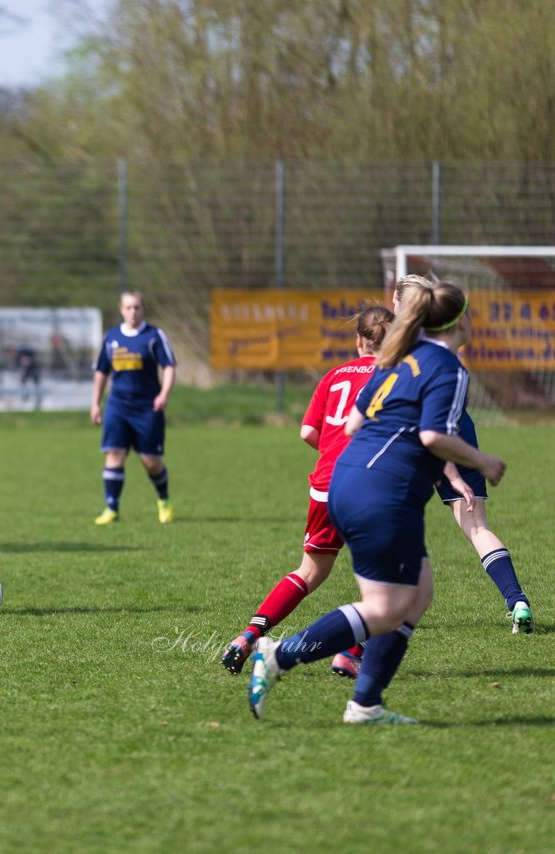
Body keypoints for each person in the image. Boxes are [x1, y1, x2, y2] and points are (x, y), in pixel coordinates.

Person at [248, 278, 505, 724]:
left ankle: (365, 703)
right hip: (384, 493)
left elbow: (352, 426)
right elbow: (431, 434)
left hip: (348, 482)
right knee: (385, 609)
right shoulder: (446, 367)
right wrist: (481, 461)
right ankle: (279, 656)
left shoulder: (395, 358)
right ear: (462, 324)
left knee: (418, 593)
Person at [221, 306, 394, 678]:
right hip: (367, 485)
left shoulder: (333, 376)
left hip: (325, 486)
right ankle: (349, 654)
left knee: (309, 572)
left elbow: (307, 432)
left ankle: (249, 634)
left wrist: (333, 455)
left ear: (359, 340)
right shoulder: (393, 376)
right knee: (390, 578)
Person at [391, 277, 533, 633]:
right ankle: (516, 600)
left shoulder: (399, 349)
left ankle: (375, 620)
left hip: (412, 438)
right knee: (477, 525)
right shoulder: (442, 345)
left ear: (400, 307)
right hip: (457, 431)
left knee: (391, 522)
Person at [90, 291, 176, 525]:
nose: (133, 312)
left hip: (147, 407)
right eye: (128, 308)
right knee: (114, 454)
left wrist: (163, 394)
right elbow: (101, 371)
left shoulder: (154, 336)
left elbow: (169, 366)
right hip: (117, 406)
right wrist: (95, 403)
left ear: (143, 309)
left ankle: (164, 499)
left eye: (137, 307)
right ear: (121, 309)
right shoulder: (111, 337)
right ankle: (111, 508)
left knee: (150, 461)